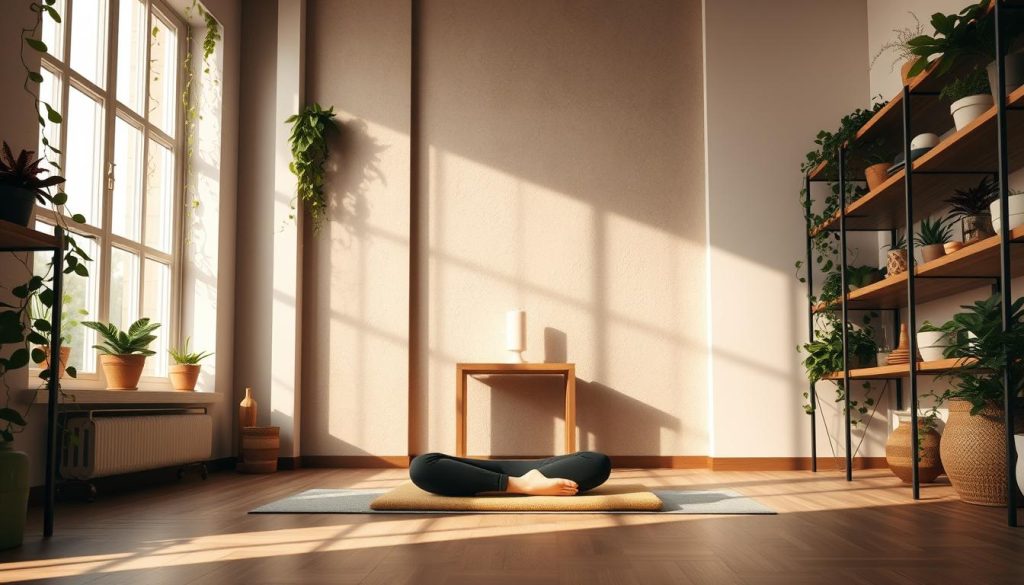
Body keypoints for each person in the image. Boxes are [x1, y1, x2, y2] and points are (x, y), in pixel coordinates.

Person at [409, 451, 612, 497]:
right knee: (421, 465)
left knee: (598, 461)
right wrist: (521, 484)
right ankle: (522, 484)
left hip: (537, 469)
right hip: (530, 476)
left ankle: (524, 481)